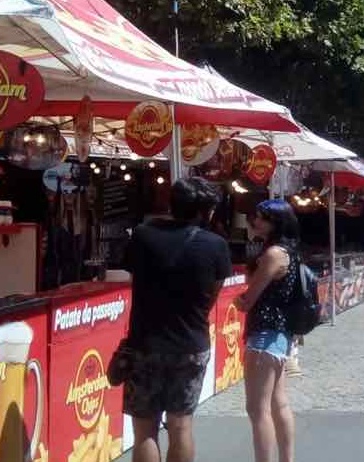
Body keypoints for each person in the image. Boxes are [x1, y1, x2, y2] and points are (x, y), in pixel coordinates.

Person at [122, 177, 232, 462]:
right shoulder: (216, 245)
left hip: (144, 342)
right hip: (190, 343)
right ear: (204, 211)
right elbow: (211, 296)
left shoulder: (143, 235)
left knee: (144, 431)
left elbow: (135, 281)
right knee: (181, 425)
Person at [235, 200, 300, 462]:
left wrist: (236, 301)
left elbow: (249, 299)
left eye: (261, 218)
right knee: (277, 403)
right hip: (279, 333)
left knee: (257, 409)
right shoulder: (289, 252)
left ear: (276, 222)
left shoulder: (273, 254)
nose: (254, 222)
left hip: (264, 332)